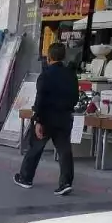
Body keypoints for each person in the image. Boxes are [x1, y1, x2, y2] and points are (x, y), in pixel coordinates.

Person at [15, 42, 80, 196]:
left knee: (36, 147)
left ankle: (26, 178)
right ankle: (65, 182)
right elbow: (75, 97)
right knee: (64, 150)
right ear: (63, 57)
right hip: (64, 117)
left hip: (47, 117)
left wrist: (38, 119)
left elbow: (40, 99)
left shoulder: (46, 75)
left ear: (49, 57)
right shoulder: (71, 74)